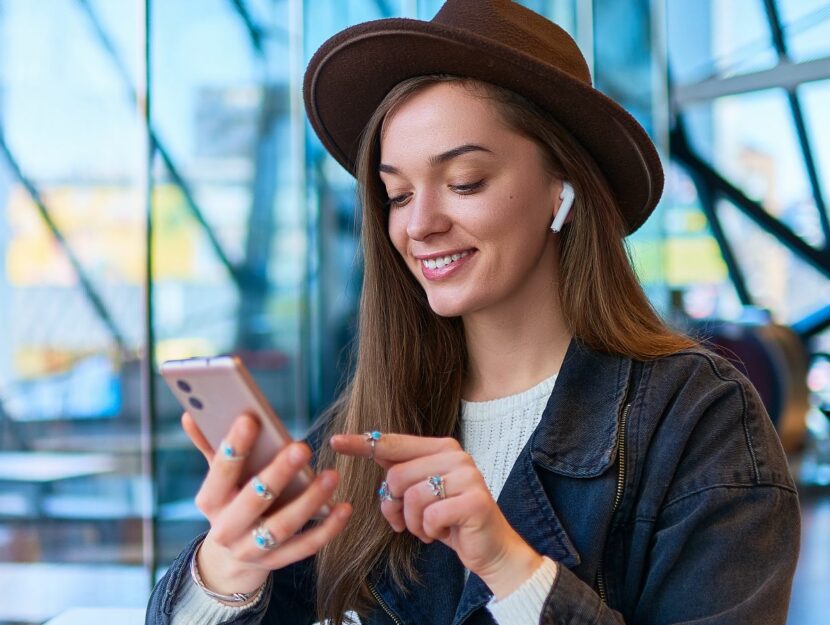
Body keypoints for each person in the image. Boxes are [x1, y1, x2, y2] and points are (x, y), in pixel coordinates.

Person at [147, 1, 800, 624]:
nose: (420, 224)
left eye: (464, 182)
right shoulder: (361, 429)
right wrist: (224, 571)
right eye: (397, 193)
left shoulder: (695, 421)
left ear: (562, 189)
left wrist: (508, 564)